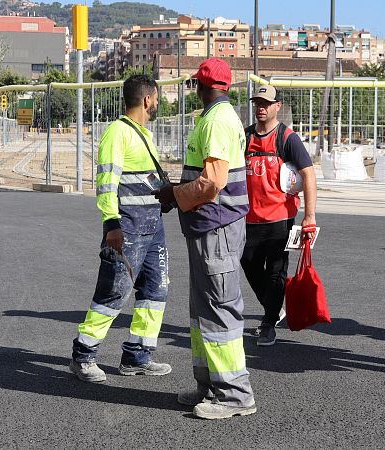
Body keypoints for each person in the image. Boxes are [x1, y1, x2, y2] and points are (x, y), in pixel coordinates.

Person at [155, 57, 256, 420]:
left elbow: (212, 183)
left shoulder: (216, 121)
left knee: (218, 308)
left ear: (202, 86)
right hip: (211, 226)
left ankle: (235, 395)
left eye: (195, 84)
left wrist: (173, 194)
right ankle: (210, 385)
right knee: (203, 310)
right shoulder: (220, 117)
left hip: (217, 227)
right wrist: (178, 193)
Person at [69, 74, 172, 383]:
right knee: (113, 292)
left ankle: (137, 356)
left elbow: (144, 178)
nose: (157, 104)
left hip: (152, 227)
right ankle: (83, 355)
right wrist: (111, 223)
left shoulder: (144, 134)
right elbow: (106, 183)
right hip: (127, 228)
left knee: (155, 291)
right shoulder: (117, 132)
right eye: (156, 99)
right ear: (147, 99)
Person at [241, 85, 317, 346]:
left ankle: (268, 323)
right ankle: (273, 308)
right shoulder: (245, 136)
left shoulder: (287, 138)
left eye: (266, 103)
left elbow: (308, 174)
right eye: (257, 103)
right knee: (248, 264)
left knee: (276, 272)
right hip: (248, 219)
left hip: (280, 219)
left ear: (277, 106)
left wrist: (310, 216)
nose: (261, 107)